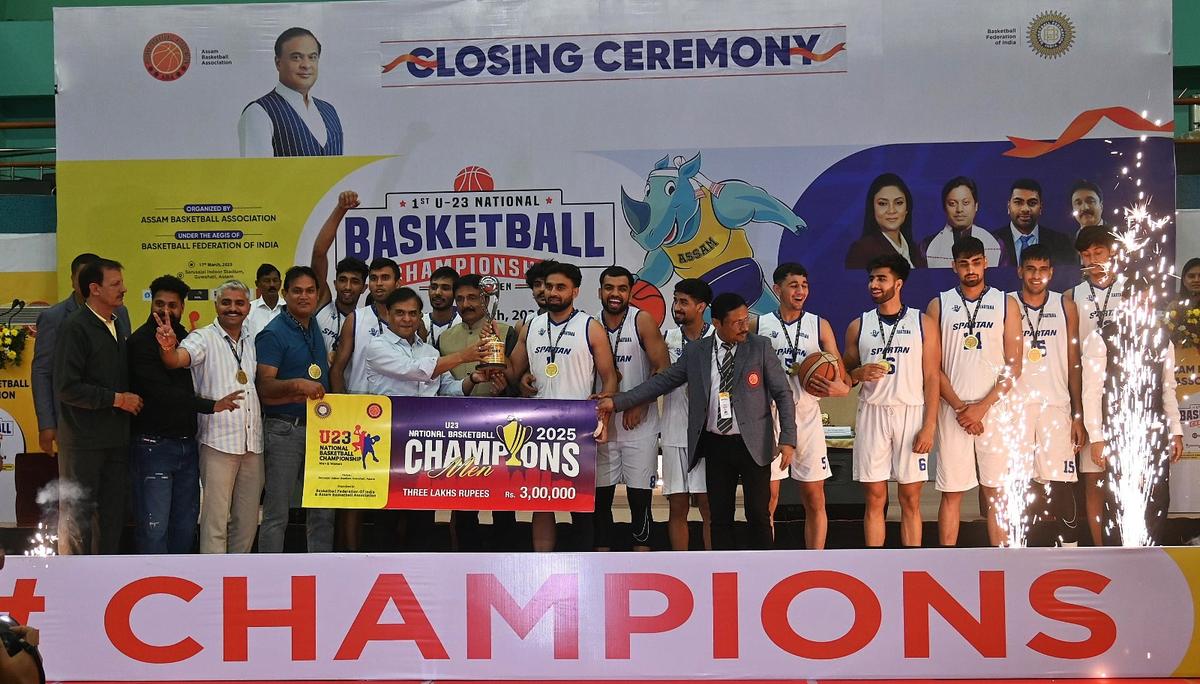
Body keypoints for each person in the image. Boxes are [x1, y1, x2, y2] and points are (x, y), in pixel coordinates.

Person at [598, 292, 796, 550]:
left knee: (758, 514)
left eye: (746, 319)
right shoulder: (697, 351)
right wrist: (617, 402)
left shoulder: (759, 347)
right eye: (737, 322)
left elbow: (783, 393)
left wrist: (788, 439)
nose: (744, 326)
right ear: (717, 323)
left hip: (754, 444)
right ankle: (725, 572)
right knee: (719, 517)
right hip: (715, 445)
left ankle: (763, 574)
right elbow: (663, 381)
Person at [361, 287, 494, 550]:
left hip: (424, 445)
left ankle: (419, 577)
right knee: (387, 516)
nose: (406, 319)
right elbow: (415, 372)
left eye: (412, 313)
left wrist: (472, 379)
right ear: (387, 314)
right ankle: (381, 574)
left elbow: (448, 389)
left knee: (422, 515)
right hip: (389, 443)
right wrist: (463, 356)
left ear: (421, 316)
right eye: (399, 313)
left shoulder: (430, 351)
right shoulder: (376, 346)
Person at [507, 261, 619, 551]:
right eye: (548, 286)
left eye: (561, 287)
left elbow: (610, 378)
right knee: (541, 502)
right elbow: (512, 372)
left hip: (577, 427)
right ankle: (541, 563)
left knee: (580, 503)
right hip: (538, 427)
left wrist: (604, 417)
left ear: (575, 291)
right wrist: (520, 381)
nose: (552, 292)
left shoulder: (590, 327)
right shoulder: (530, 325)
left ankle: (585, 565)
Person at [128, 276, 239, 554]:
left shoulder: (189, 339)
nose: (166, 311)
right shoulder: (140, 342)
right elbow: (161, 394)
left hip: (187, 445)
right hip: (154, 445)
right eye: (159, 304)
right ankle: (151, 586)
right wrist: (210, 405)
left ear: (182, 307)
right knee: (155, 527)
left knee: (185, 525)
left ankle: (180, 588)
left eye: (173, 305)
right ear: (150, 303)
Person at [928, 237, 1023, 547]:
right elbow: (932, 367)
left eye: (976, 262)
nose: (971, 269)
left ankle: (1002, 561)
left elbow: (1014, 365)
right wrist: (960, 408)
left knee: (997, 491)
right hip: (952, 410)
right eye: (964, 264)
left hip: (994, 410)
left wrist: (982, 407)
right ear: (954, 267)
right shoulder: (938, 305)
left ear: (985, 262)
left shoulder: (1006, 303)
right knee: (952, 492)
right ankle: (946, 562)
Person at [157, 280, 264, 554]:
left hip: (252, 443)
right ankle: (215, 582)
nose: (233, 308)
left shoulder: (252, 339)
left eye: (239, 303)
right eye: (226, 302)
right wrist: (169, 348)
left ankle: (239, 579)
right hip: (218, 442)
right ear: (216, 305)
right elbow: (178, 359)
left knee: (248, 521)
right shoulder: (203, 338)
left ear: (248, 308)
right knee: (215, 521)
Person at [844, 254, 939, 547]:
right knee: (874, 497)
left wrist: (929, 426)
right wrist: (857, 372)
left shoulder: (922, 322)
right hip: (873, 413)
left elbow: (933, 377)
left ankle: (913, 566)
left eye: (881, 278)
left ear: (898, 283)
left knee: (910, 498)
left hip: (910, 412)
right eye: (871, 278)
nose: (874, 284)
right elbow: (845, 376)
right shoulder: (858, 325)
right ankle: (875, 564)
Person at [1082, 277, 1183, 545]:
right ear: (1124, 302)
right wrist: (1097, 437)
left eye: (1148, 301)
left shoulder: (1162, 339)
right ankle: (1119, 563)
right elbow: (1091, 393)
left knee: (1157, 496)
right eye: (1138, 300)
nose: (1143, 306)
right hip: (1117, 432)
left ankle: (1151, 559)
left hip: (1154, 430)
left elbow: (1167, 390)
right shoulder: (1102, 337)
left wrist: (1175, 431)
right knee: (1119, 498)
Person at [758, 262, 849, 549]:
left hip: (808, 416)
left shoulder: (818, 324)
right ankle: (765, 559)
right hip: (770, 418)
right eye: (793, 285)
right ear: (777, 289)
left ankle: (816, 560)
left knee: (814, 496)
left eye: (804, 285)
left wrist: (840, 387)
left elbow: (841, 372)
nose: (800, 291)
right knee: (768, 499)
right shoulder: (758, 325)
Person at [53, 258, 140, 554]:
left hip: (116, 438)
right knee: (79, 517)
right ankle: (77, 584)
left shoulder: (119, 322)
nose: (124, 289)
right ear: (94, 289)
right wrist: (117, 399)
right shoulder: (74, 327)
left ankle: (107, 581)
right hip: (83, 441)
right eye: (115, 284)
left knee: (113, 517)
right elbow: (67, 387)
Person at [1010, 245, 1087, 547]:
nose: (1037, 275)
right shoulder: (1007, 305)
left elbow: (1074, 361)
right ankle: (1024, 551)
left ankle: (1069, 549)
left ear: (1051, 273)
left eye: (1043, 269)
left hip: (1056, 406)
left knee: (1061, 481)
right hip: (1017, 408)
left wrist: (1077, 415)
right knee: (1022, 483)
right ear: (1020, 271)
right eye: (1031, 268)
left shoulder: (1065, 304)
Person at [437, 274, 518, 550]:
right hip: (459, 429)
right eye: (460, 298)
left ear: (486, 299)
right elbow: (441, 385)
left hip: (501, 427)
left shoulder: (505, 331)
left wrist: (505, 384)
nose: (465, 304)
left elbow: (520, 379)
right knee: (463, 502)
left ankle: (506, 557)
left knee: (503, 501)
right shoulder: (445, 338)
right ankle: (464, 560)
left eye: (472, 297)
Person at [255, 266, 331, 552]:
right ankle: (269, 574)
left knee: (322, 508)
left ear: (317, 295)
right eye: (297, 291)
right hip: (284, 428)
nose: (304, 296)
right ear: (285, 294)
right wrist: (298, 384)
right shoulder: (272, 333)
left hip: (320, 430)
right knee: (277, 511)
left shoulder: (313, 327)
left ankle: (321, 569)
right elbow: (265, 387)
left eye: (310, 291)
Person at [593, 266, 669, 552]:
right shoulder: (589, 324)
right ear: (600, 291)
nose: (615, 294)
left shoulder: (643, 320)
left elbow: (663, 369)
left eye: (621, 288)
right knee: (600, 500)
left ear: (629, 292)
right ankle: (602, 559)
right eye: (609, 288)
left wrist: (640, 402)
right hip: (602, 427)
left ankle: (643, 558)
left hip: (639, 425)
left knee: (640, 501)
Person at [32, 252, 131, 458]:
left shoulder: (119, 312)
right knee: (78, 487)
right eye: (82, 277)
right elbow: (43, 372)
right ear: (73, 280)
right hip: (73, 422)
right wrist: (47, 423)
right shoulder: (54, 317)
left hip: (114, 423)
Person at [1065, 226, 1125, 544]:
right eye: (1085, 255)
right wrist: (1078, 411)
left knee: (1125, 476)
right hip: (1091, 397)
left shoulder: (1132, 289)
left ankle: (1129, 545)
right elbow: (1071, 356)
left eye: (1097, 253)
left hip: (1126, 395)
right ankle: (1100, 548)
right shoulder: (1071, 296)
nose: (1091, 260)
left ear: (1112, 252)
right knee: (1093, 478)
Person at [660, 278, 714, 550]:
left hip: (708, 434)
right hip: (673, 429)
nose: (677, 307)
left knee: (708, 505)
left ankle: (712, 566)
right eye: (675, 300)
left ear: (701, 306)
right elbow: (655, 378)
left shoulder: (716, 338)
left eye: (684, 302)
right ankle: (680, 566)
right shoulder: (667, 337)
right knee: (677, 505)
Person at [239, 27, 343, 157]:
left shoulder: (329, 111)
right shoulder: (258, 112)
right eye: (296, 57)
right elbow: (256, 175)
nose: (306, 65)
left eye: (312, 57)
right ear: (278, 63)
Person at [311, 190, 369, 355]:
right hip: (318, 380)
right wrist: (341, 209)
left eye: (355, 281)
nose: (348, 287)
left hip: (352, 382)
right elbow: (319, 253)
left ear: (364, 288)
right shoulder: (322, 303)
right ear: (335, 284)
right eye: (343, 280)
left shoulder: (367, 321)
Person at [330, 257, 399, 394]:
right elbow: (336, 370)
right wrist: (343, 406)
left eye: (385, 278)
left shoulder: (409, 322)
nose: (379, 283)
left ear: (397, 283)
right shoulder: (355, 319)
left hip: (397, 405)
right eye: (374, 278)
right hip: (359, 406)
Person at [991, 179, 1076, 273]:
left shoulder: (1061, 243)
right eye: (1018, 202)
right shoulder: (992, 241)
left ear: (1040, 208)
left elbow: (1068, 278)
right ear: (1008, 206)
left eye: (1032, 203)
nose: (1025, 209)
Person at [844, 173, 927, 270]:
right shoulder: (862, 250)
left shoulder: (915, 250)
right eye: (883, 203)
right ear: (872, 209)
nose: (891, 210)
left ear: (907, 209)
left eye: (898, 203)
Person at [921, 176, 1002, 268]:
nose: (959, 209)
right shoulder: (926, 246)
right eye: (952, 203)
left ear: (976, 206)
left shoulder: (996, 243)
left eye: (966, 203)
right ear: (944, 208)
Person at [420, 266, 462, 348]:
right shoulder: (419, 323)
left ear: (456, 293)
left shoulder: (463, 323)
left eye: (445, 288)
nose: (437, 293)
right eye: (434, 287)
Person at [245, 263, 283, 335]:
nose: (272, 284)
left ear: (280, 283)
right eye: (267, 281)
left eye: (275, 280)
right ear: (257, 283)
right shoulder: (248, 310)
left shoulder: (289, 309)